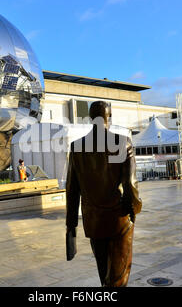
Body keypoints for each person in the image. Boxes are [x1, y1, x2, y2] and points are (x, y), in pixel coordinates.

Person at [66, 101, 142, 287]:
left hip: (93, 221)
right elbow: (130, 184)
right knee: (118, 278)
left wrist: (71, 228)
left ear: (90, 118)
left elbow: (72, 190)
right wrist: (135, 207)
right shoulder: (122, 142)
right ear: (109, 116)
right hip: (119, 220)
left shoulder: (77, 146)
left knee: (104, 276)